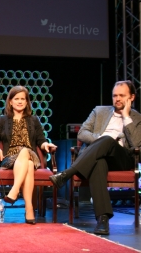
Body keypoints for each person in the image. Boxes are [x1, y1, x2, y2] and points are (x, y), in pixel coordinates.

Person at [49, 80, 141, 235]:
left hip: (122, 158)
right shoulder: (100, 111)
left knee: (108, 140)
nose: (117, 99)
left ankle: (67, 173)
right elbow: (82, 133)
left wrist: (126, 117)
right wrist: (101, 141)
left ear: (132, 97)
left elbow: (136, 144)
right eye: (114, 95)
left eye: (122, 96)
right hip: (99, 155)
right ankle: (102, 220)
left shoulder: (137, 118)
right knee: (99, 162)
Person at [0, 86, 56, 224]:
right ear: (10, 102)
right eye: (16, 99)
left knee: (25, 152)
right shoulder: (3, 120)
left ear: (27, 102)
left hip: (30, 153)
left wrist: (46, 145)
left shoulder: (34, 120)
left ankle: (14, 191)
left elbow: (41, 140)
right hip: (9, 158)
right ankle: (29, 208)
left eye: (22, 99)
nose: (20, 102)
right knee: (28, 165)